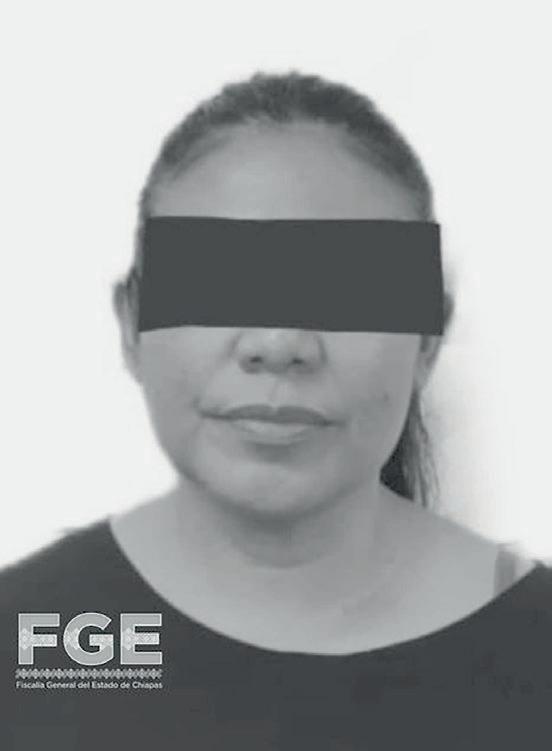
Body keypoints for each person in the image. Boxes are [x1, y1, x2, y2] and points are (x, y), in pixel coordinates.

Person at [1, 70, 551, 749]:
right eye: (216, 281)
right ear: (130, 327)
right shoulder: (29, 641)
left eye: (348, 289)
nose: (280, 342)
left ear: (426, 342)